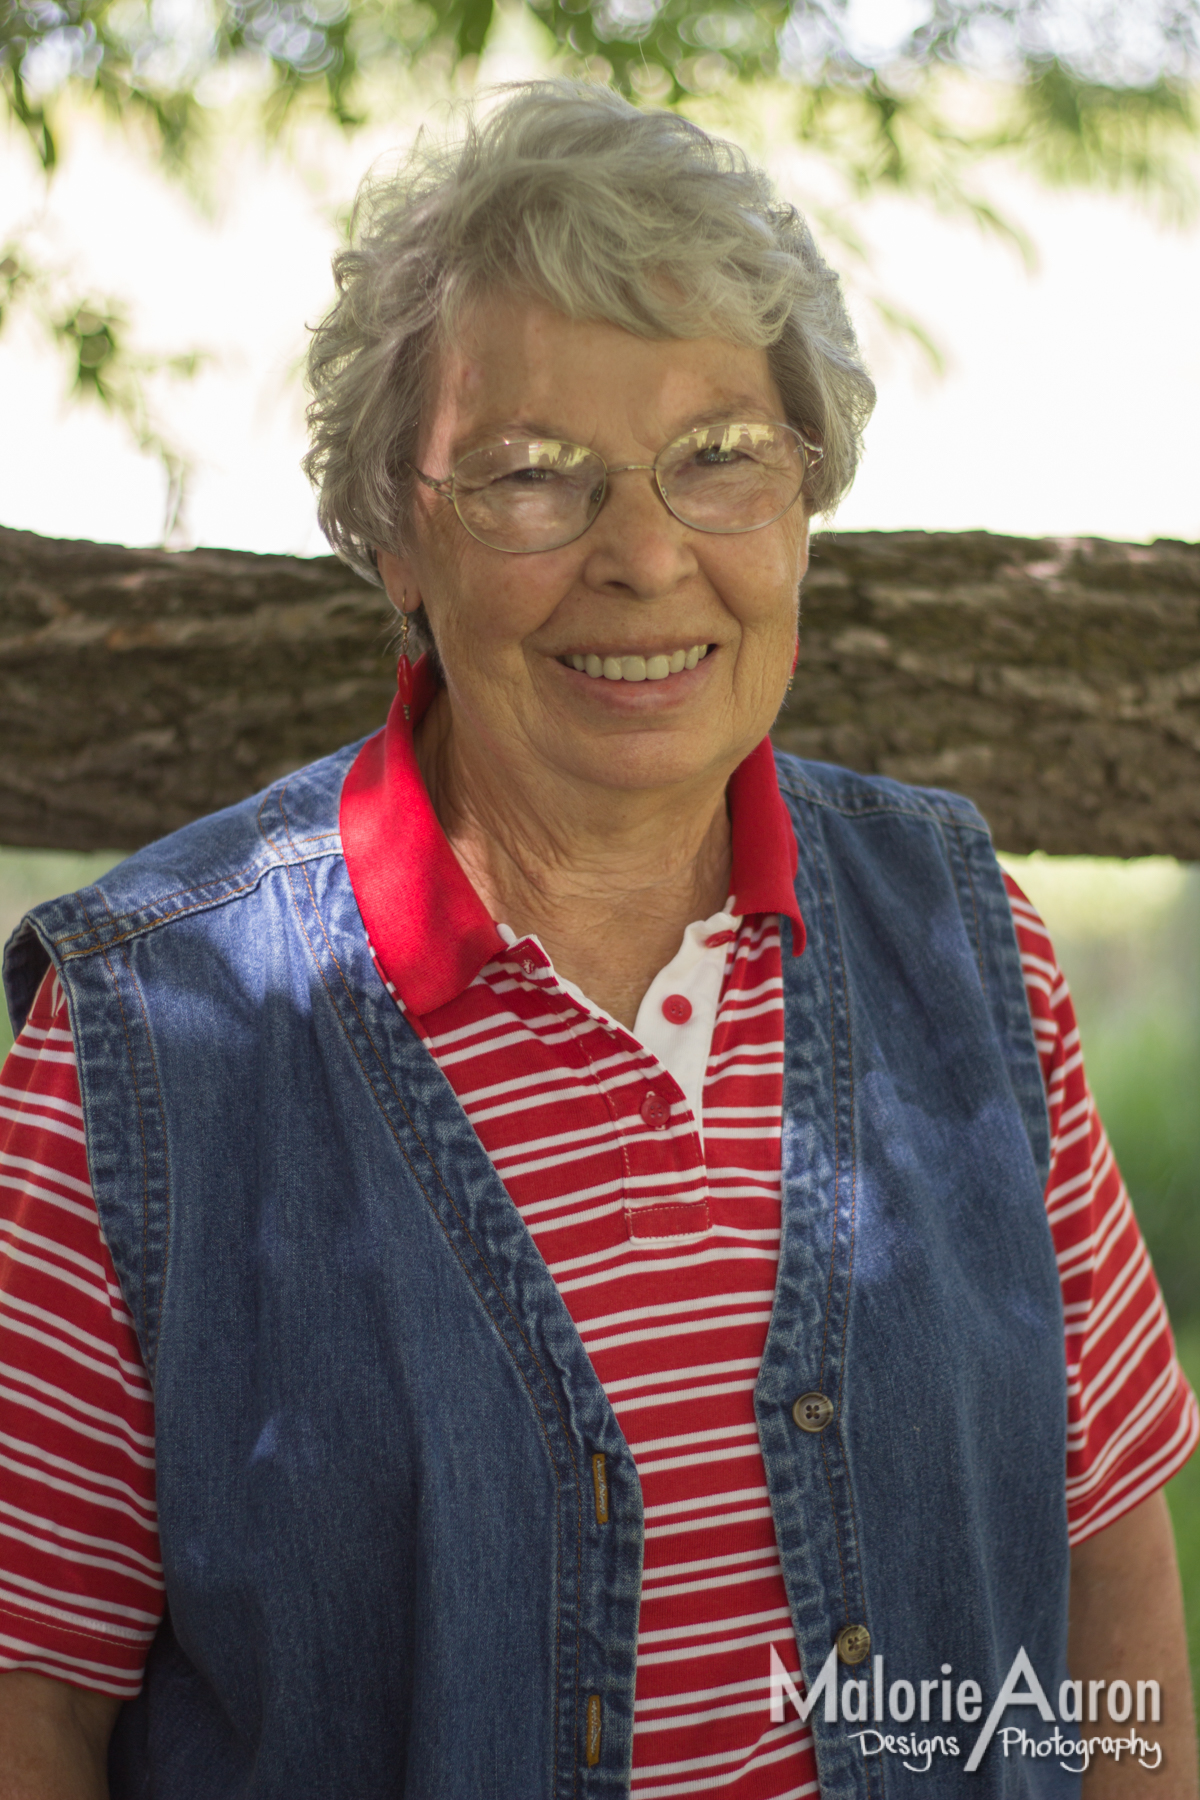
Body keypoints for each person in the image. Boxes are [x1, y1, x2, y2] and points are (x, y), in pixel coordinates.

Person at [0, 80, 1196, 1800]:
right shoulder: (140, 1045)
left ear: (804, 500)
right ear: (399, 537)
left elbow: (1107, 1560)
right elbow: (29, 1704)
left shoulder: (967, 941)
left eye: (717, 457)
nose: (645, 558)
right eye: (532, 478)